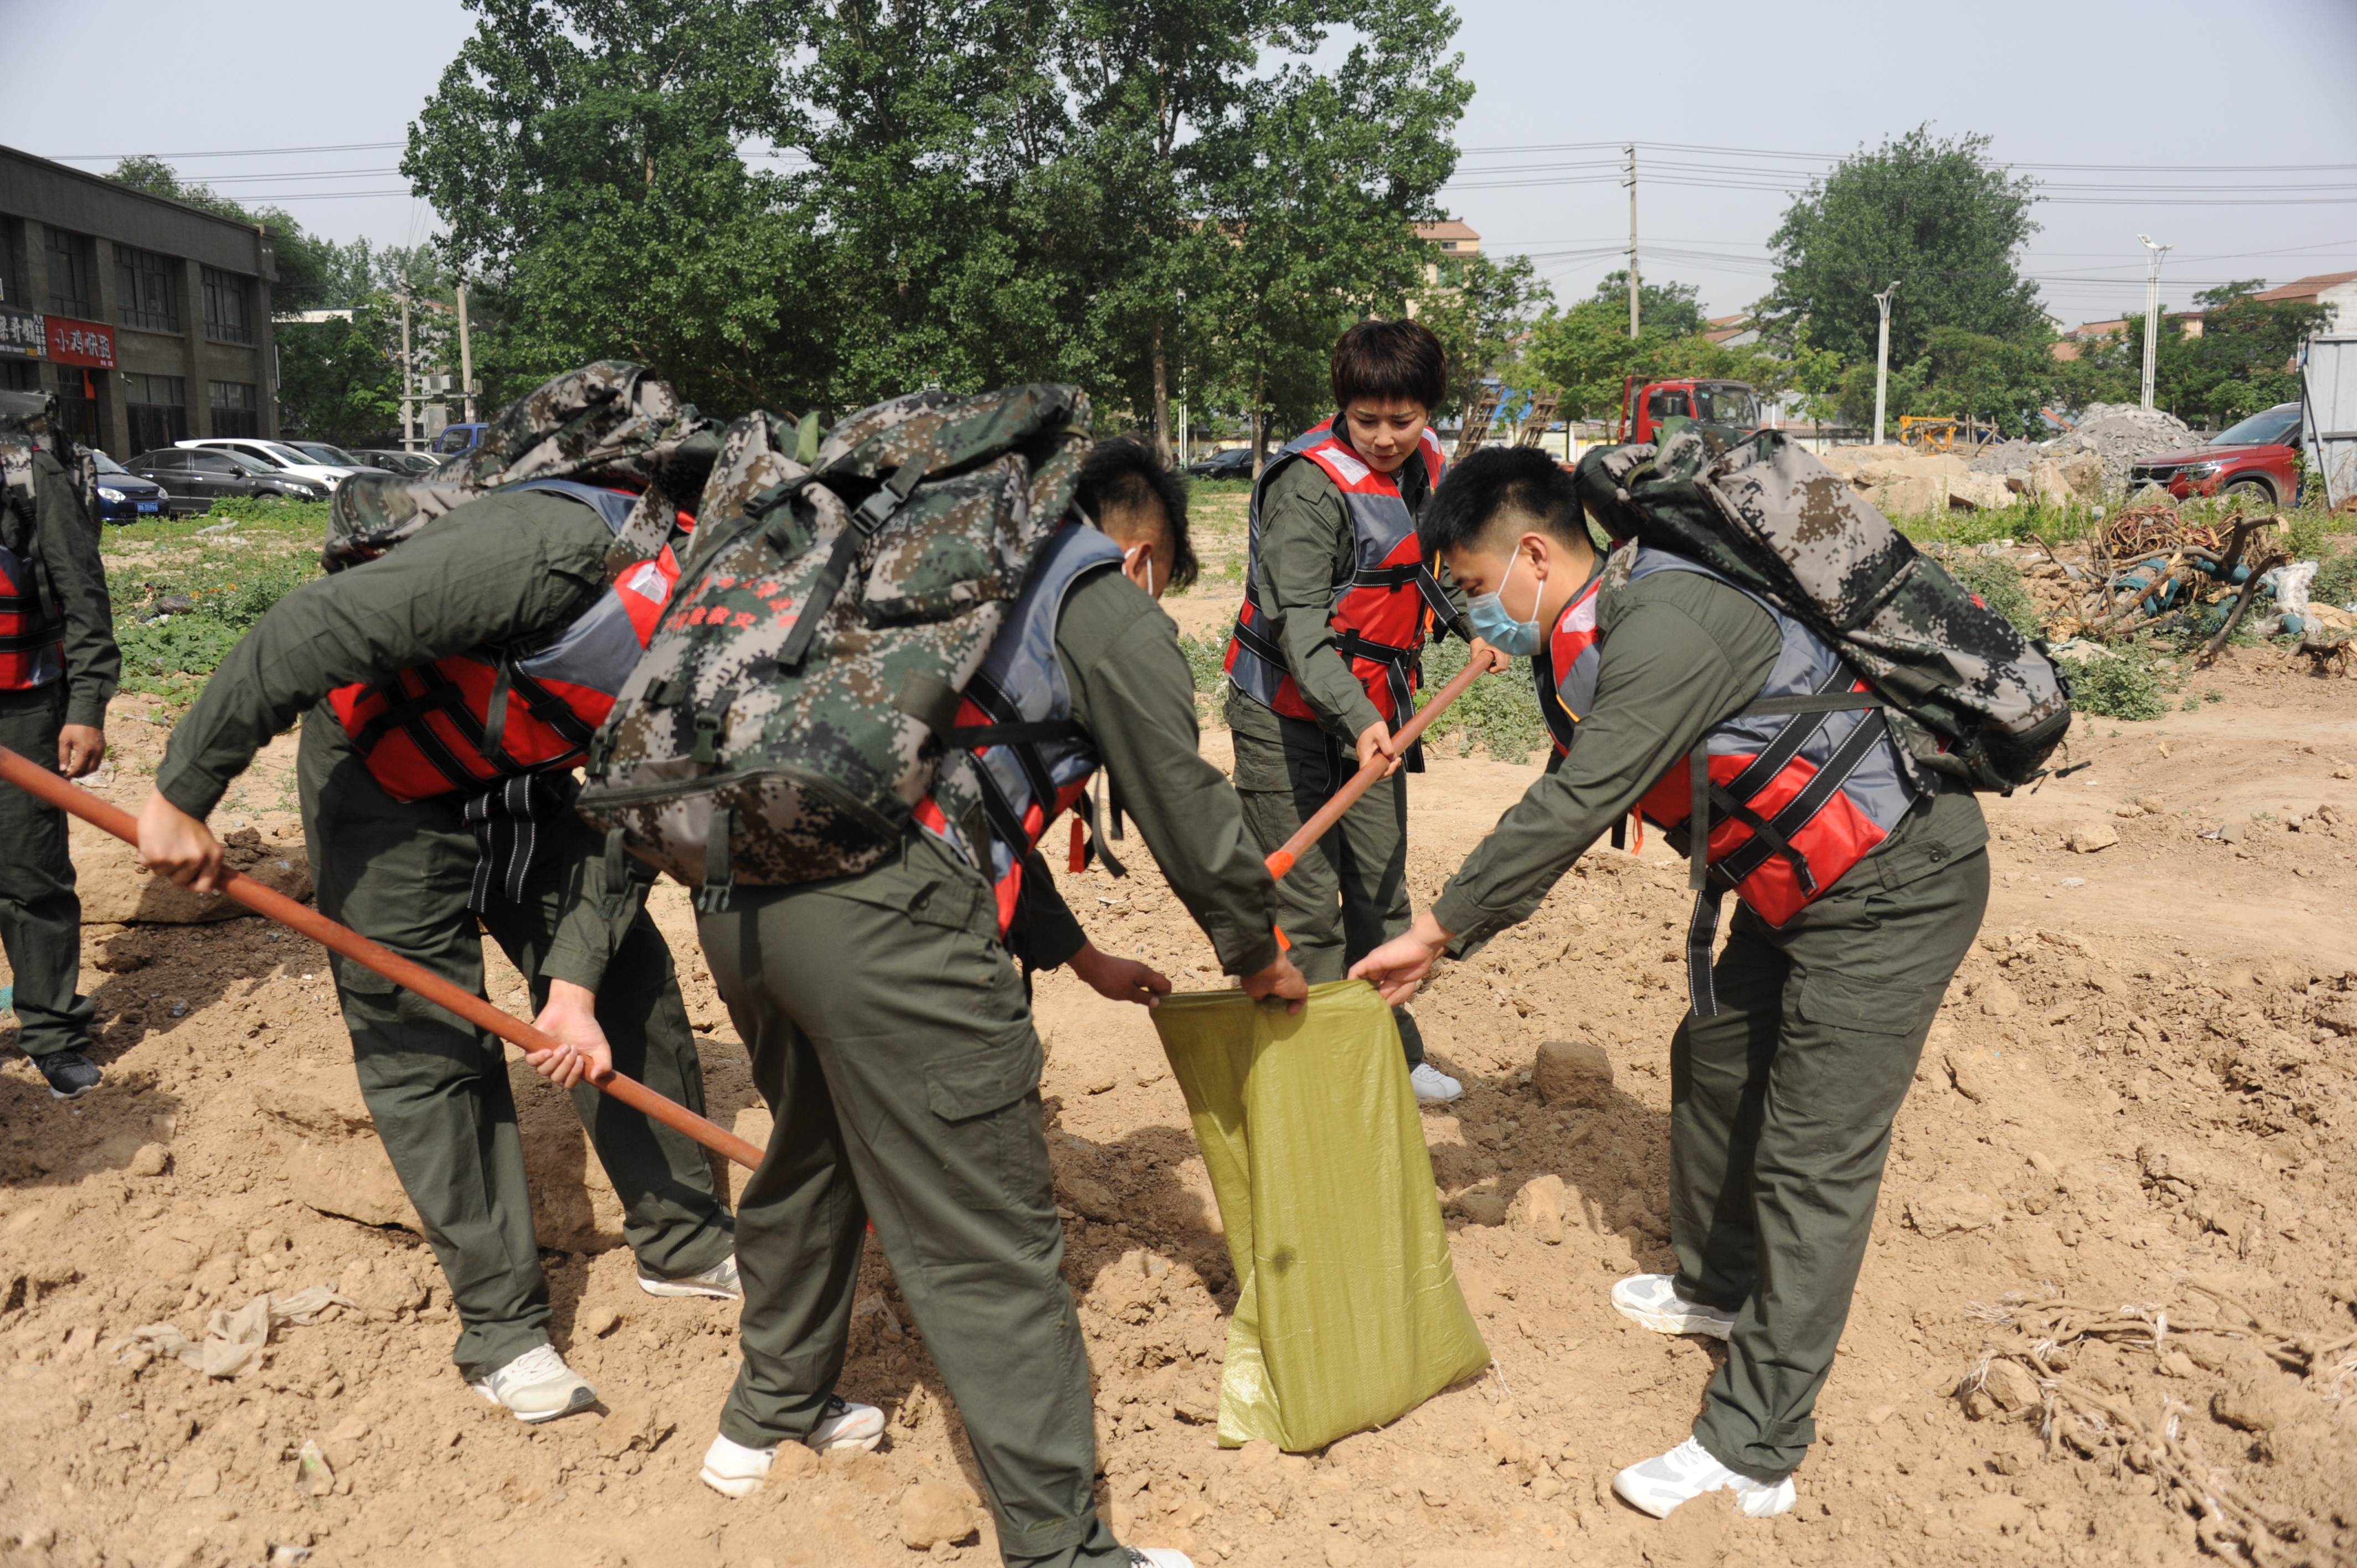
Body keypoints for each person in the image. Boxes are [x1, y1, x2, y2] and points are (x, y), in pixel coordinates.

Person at [693, 435, 1301, 1568]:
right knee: (988, 1242)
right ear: (1137, 547)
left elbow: (964, 784)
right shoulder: (1097, 596)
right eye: (1162, 566)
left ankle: (765, 1422)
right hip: (884, 922)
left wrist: (1073, 955)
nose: (1154, 588)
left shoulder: (926, 584)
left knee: (815, 1149)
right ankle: (1062, 1550)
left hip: (740, 887)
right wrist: (1258, 951)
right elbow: (1183, 800)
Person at [1351, 445, 1989, 1520]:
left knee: (1811, 1158)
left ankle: (1755, 1442)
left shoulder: (1666, 623)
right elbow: (1583, 779)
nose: (1473, 619)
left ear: (1535, 556)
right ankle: (1719, 1287)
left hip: (1892, 882)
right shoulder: (1601, 630)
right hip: (1798, 884)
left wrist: (1440, 929)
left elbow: (1575, 803)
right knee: (1717, 1056)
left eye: (1471, 589)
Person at [136, 435, 741, 1423]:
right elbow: (306, 625)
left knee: (626, 977)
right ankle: (504, 1331)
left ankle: (683, 1244)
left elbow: (637, 821)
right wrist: (183, 791)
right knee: (429, 1039)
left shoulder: (726, 639)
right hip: (388, 780)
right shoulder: (548, 551)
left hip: (528, 775)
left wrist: (572, 987)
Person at [1220, 319, 1503, 1106]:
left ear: (1427, 411)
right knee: (1308, 906)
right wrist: (1355, 715)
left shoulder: (1430, 469)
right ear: (1342, 407)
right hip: (1287, 717)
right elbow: (1303, 634)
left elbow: (1427, 570)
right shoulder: (1307, 490)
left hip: (1374, 715)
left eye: (1402, 420)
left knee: (1380, 891)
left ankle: (1391, 1052)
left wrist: (1484, 630)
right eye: (1366, 420)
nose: (1384, 438)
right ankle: (1322, 1073)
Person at [0, 390, 117, 1102]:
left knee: (28, 873)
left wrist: (87, 704)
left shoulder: (23, 458)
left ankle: (50, 1030)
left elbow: (80, 587)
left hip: (18, 703)